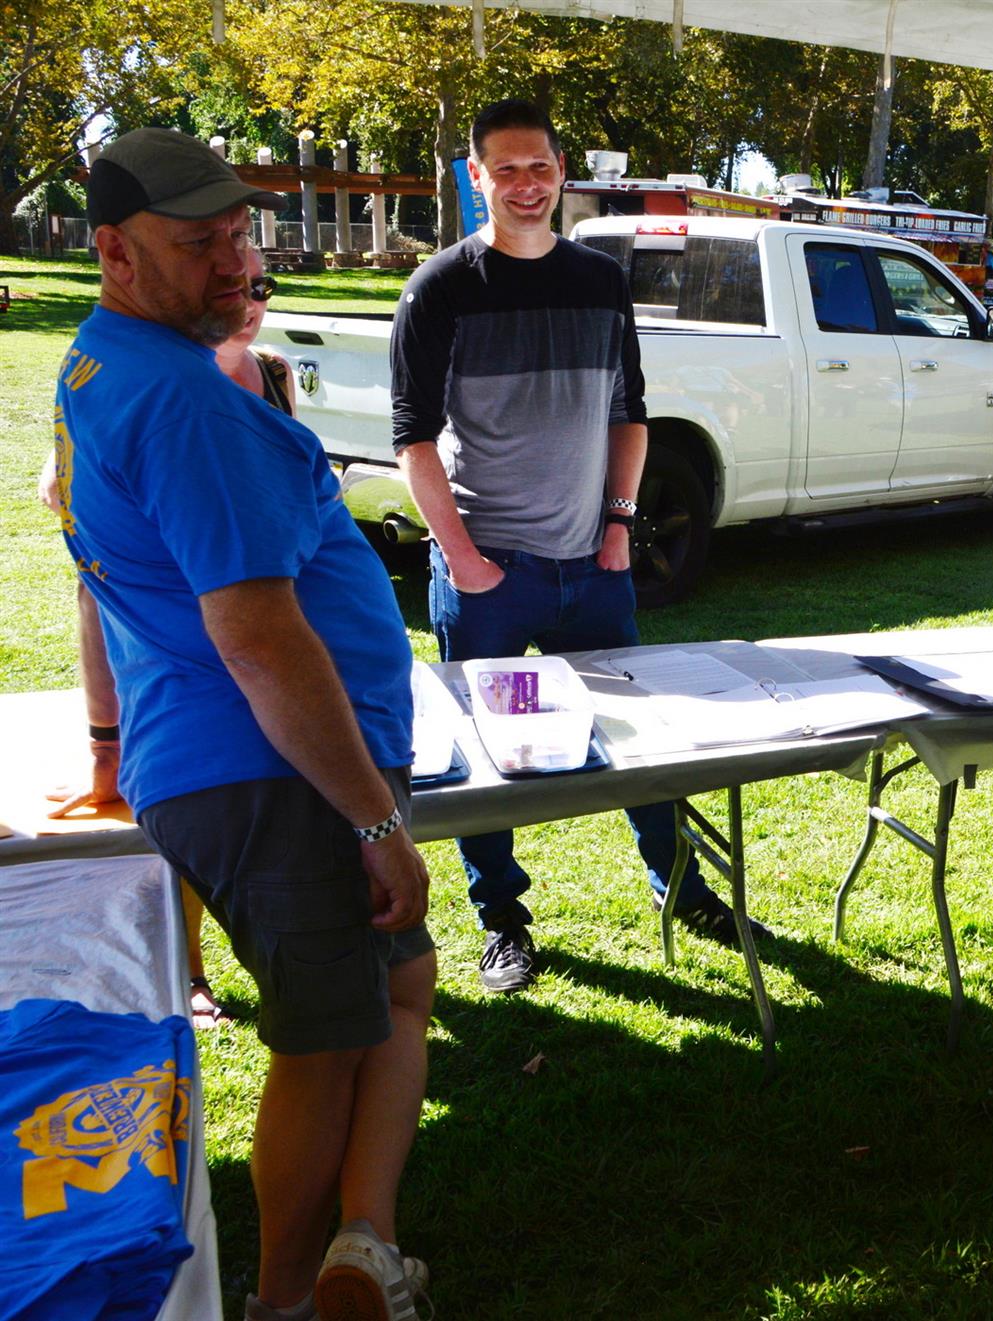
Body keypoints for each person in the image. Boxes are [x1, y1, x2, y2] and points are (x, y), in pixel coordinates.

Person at [61, 127, 434, 1321]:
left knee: (397, 990)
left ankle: (363, 1246)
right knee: (322, 1042)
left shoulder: (104, 362)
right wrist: (371, 819)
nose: (234, 261)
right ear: (115, 254)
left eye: (238, 233)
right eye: (197, 244)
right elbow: (260, 638)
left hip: (252, 757)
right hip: (276, 770)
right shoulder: (183, 401)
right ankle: (283, 1302)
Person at [391, 99, 760, 995]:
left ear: (562, 173)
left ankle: (683, 889)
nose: (526, 185)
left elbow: (630, 414)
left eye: (540, 168)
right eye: (506, 170)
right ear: (475, 177)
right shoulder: (441, 287)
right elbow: (413, 440)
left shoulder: (599, 280)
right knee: (484, 757)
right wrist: (464, 560)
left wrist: (620, 525)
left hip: (592, 570)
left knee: (643, 740)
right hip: (489, 578)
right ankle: (502, 921)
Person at [38, 246, 294, 1032]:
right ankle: (188, 971)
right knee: (187, 812)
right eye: (231, 283)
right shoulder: (146, 383)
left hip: (260, 647)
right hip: (174, 658)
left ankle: (296, 964)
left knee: (273, 825)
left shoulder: (273, 375)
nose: (248, 301)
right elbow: (92, 584)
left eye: (260, 285)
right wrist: (103, 744)